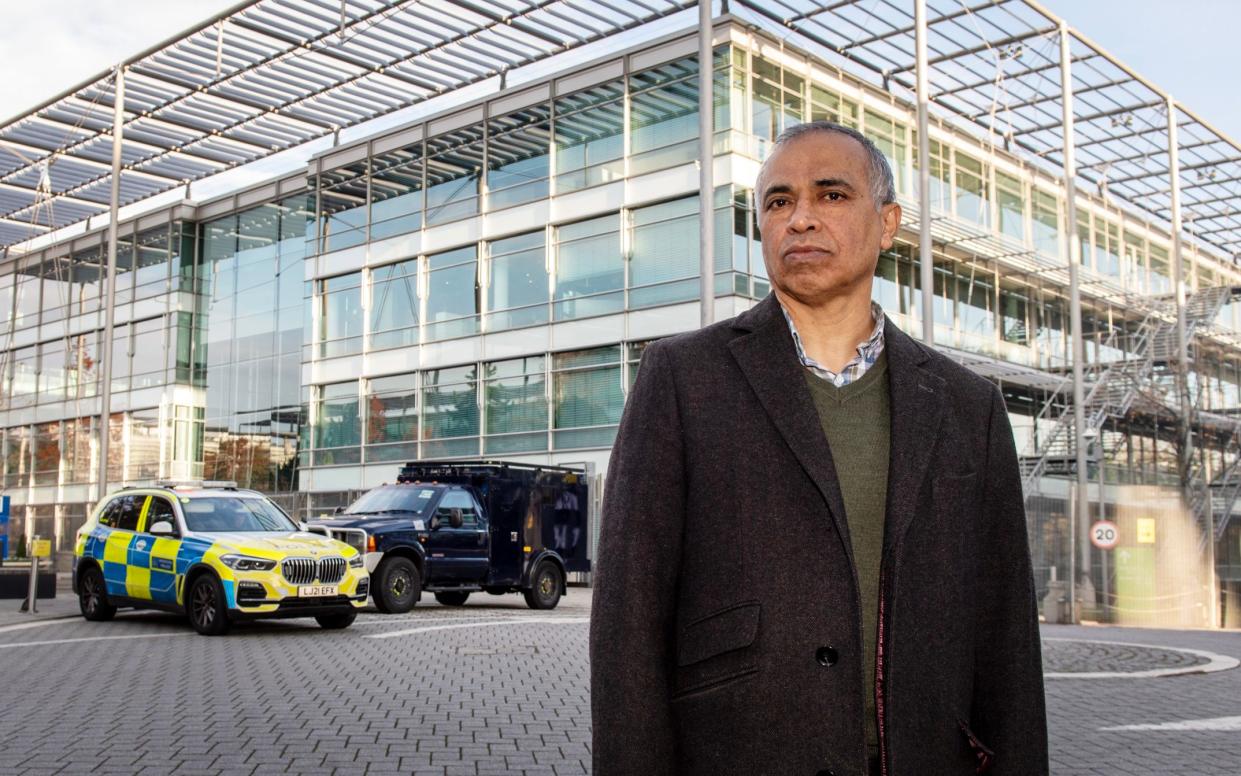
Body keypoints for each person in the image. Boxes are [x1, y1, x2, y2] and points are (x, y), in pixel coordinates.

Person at [589, 121, 1047, 776]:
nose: (799, 218)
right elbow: (627, 623)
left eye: (830, 195)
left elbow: (1005, 638)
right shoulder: (681, 378)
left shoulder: (967, 406)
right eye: (778, 202)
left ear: (886, 223)